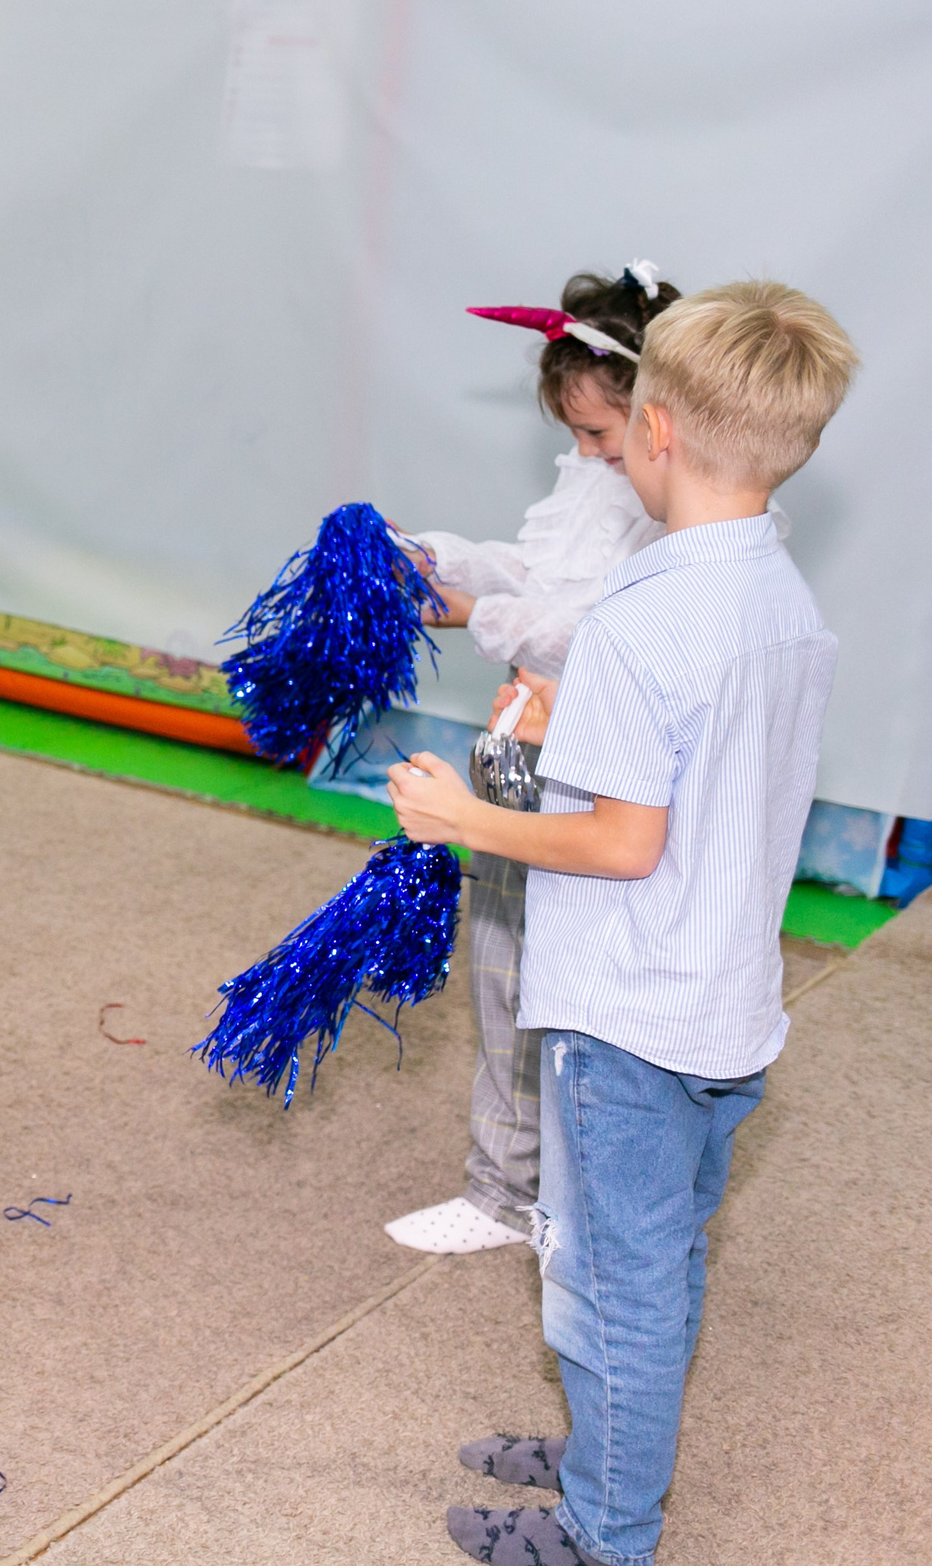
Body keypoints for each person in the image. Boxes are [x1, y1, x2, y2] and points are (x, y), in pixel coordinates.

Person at [388, 282, 856, 1566]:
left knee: (609, 1283)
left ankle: (605, 1530)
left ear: (652, 430)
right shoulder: (780, 602)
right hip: (724, 1007)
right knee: (661, 1259)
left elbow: (615, 839)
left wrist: (461, 817)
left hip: (627, 1015)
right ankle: (609, 1446)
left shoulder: (646, 620)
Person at [381, 265, 680, 1257]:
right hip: (523, 756)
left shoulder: (679, 518)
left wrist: (483, 613)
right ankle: (501, 1189)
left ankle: (578, 1195)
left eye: (600, 434)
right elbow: (538, 566)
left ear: (661, 418)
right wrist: (443, 562)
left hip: (602, 781)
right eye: (575, 436)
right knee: (505, 971)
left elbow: (600, 628)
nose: (586, 456)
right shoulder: (596, 477)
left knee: (591, 994)